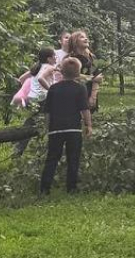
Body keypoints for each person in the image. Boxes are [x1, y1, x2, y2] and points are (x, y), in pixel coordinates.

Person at [40, 57, 92, 195]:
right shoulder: (80, 88)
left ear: (61, 72)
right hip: (73, 129)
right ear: (78, 72)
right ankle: (71, 188)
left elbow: (48, 112)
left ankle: (45, 188)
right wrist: (88, 125)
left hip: (55, 129)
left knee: (52, 158)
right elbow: (85, 109)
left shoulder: (53, 88)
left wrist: (47, 127)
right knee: (73, 158)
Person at [67, 31, 103, 110]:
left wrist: (93, 97)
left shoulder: (92, 57)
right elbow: (72, 76)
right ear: (75, 41)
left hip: (90, 94)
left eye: (86, 37)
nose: (86, 38)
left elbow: (97, 78)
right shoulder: (70, 58)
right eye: (82, 37)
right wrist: (91, 78)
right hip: (74, 95)